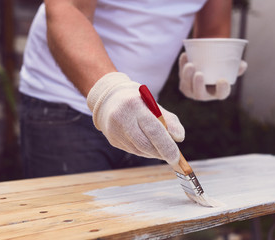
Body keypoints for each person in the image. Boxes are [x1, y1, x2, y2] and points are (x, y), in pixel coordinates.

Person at [19, 0, 247, 178]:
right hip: (64, 100)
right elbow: (68, 9)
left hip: (144, 111)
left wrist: (208, 73)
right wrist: (110, 91)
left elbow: (214, 29)